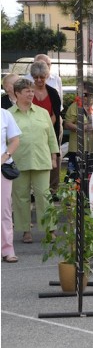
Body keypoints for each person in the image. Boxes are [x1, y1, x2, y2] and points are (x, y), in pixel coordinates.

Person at [8, 78, 59, 244]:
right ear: (17, 94)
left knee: (44, 196)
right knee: (21, 198)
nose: (31, 94)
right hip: (18, 161)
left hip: (41, 160)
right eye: (27, 91)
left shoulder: (43, 112)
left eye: (32, 91)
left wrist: (54, 157)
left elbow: (51, 136)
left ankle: (50, 229)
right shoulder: (8, 114)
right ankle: (25, 230)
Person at [30, 61, 63, 201]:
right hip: (31, 131)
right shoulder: (28, 91)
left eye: (42, 77)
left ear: (46, 76)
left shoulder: (53, 92)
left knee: (53, 157)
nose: (39, 80)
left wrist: (46, 127)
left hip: (50, 129)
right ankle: (33, 191)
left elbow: (56, 112)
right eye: (36, 77)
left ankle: (53, 190)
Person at [63, 81, 93, 180]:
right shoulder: (74, 107)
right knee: (75, 176)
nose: (82, 96)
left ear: (91, 94)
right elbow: (67, 124)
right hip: (77, 147)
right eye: (79, 94)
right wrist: (82, 128)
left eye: (84, 94)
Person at [1, 108, 21, 262]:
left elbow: (15, 140)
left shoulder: (5, 114)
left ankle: (7, 249)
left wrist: (5, 156)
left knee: (5, 209)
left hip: (2, 166)